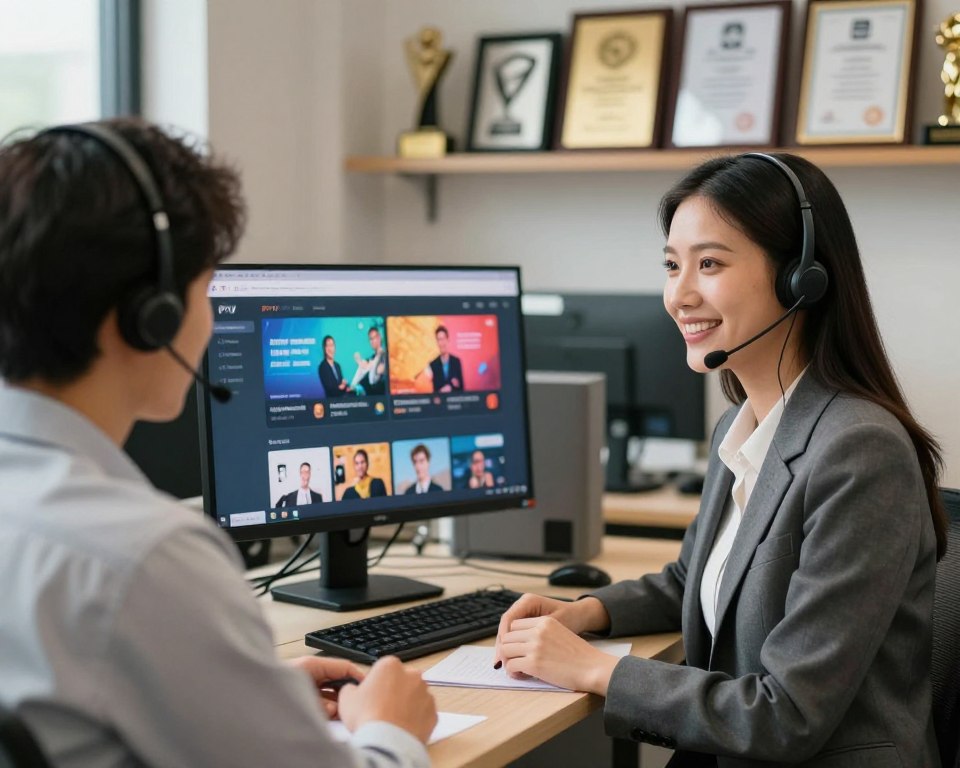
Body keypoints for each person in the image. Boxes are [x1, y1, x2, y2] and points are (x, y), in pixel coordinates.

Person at [0, 118, 436, 768]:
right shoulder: (147, 558)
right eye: (207, 288)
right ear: (152, 318)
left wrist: (248, 696)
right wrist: (392, 730)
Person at [494, 153, 946, 766]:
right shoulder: (739, 427)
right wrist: (586, 612)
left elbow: (788, 714)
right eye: (672, 265)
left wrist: (595, 671)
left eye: (709, 264)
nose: (679, 295)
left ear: (801, 279)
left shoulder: (861, 452)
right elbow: (697, 579)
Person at [424, 325, 463, 393]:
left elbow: (462, 389)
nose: (442, 343)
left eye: (443, 339)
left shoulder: (456, 362)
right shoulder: (433, 365)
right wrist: (441, 391)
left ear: (448, 340)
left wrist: (453, 387)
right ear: (437, 342)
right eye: (439, 339)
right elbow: (433, 393)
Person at [350, 325, 387, 395]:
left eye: (374, 338)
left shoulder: (384, 355)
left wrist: (368, 365)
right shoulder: (371, 358)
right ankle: (352, 387)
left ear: (379, 338)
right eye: (370, 339)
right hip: (370, 392)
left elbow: (379, 371)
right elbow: (366, 367)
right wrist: (360, 362)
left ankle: (353, 387)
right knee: (363, 364)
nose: (372, 341)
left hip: (380, 390)